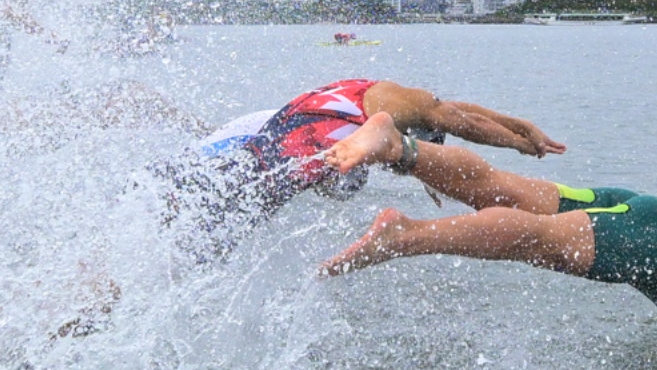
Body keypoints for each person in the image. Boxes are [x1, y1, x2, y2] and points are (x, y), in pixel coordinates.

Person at [315, 111, 657, 333]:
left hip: (638, 215)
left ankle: (399, 147)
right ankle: (407, 235)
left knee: (498, 186)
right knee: (538, 239)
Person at [152, 77, 565, 259]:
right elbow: (456, 118)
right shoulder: (394, 103)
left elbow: (453, 112)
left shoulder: (370, 102)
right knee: (185, 242)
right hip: (251, 165)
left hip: (246, 155)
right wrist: (518, 144)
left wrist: (516, 123)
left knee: (184, 242)